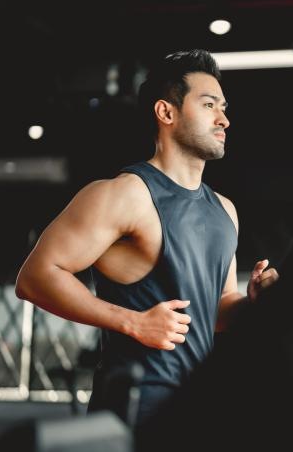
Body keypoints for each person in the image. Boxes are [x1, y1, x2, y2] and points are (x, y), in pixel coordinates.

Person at [15, 49, 279, 425]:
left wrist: (254, 305)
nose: (224, 119)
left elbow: (216, 310)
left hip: (198, 409)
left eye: (223, 107)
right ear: (166, 112)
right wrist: (133, 322)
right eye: (209, 105)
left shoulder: (225, 210)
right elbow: (35, 277)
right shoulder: (124, 194)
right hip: (135, 410)